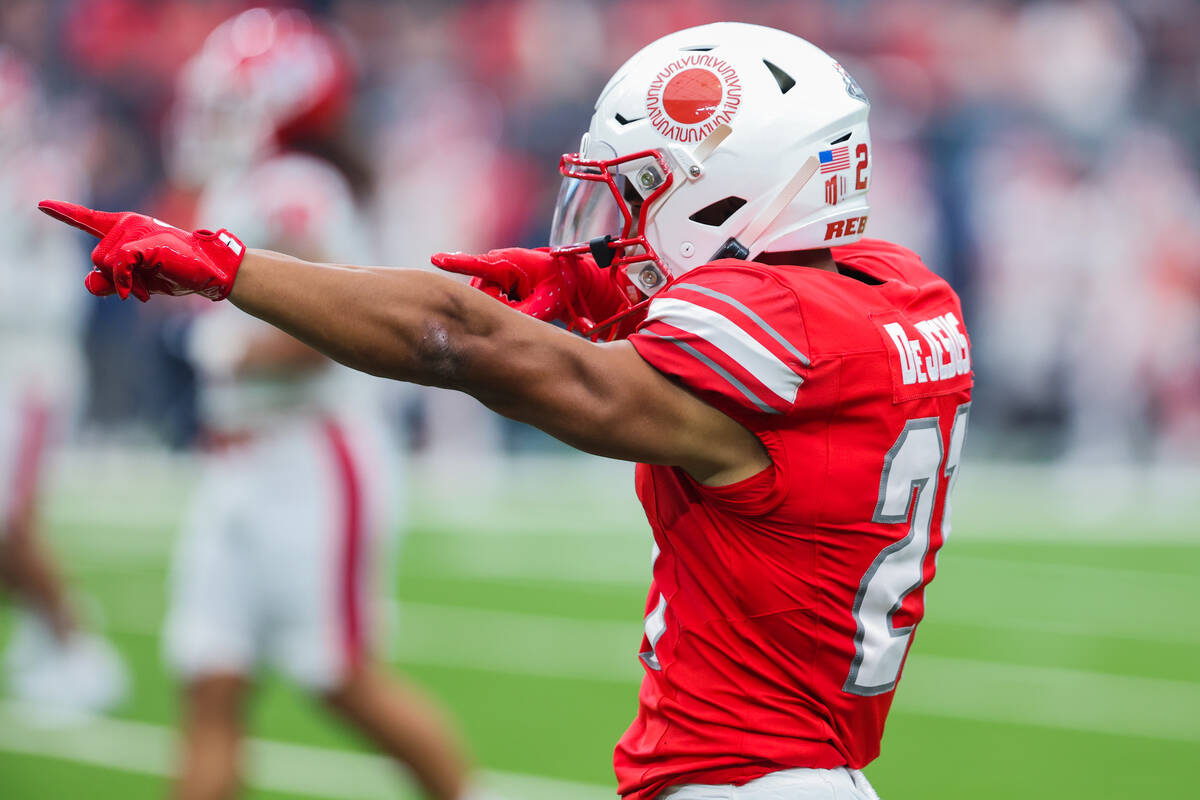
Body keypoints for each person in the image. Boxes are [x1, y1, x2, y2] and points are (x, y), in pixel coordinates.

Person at [40, 21, 972, 800]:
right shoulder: (900, 295)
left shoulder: (774, 335)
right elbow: (749, 298)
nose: (624, 222)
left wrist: (231, 268)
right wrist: (583, 280)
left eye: (646, 191)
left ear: (732, 189)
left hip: (746, 776)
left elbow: (460, 340)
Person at [151, 9, 476, 800]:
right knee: (208, 679)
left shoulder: (295, 187)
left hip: (310, 455)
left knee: (340, 678)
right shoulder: (247, 183)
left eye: (233, 99)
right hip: (238, 460)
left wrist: (213, 346)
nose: (214, 117)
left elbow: (334, 326)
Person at [0, 45, 127, 718]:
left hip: (28, 367)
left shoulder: (34, 177)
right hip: (12, 363)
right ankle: (42, 635)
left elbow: (42, 285)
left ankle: (80, 650)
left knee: (11, 522)